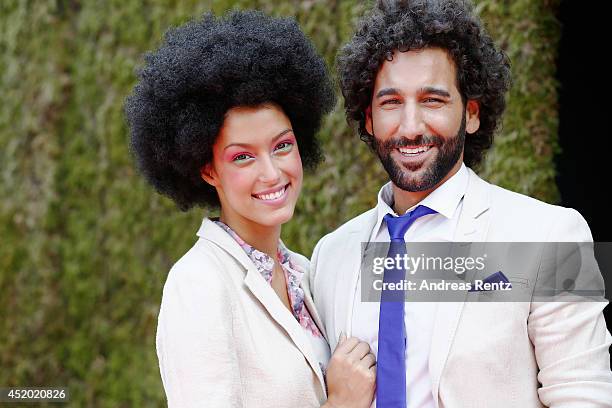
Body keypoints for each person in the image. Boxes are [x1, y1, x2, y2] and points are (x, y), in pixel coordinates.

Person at [309, 0, 612, 407]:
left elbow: (583, 396)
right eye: (391, 102)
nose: (411, 126)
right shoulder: (331, 255)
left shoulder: (553, 236)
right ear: (368, 119)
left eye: (433, 100)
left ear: (470, 113)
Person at [124, 10, 376, 408]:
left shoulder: (305, 273)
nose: (272, 173)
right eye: (243, 157)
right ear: (208, 169)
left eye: (281, 146)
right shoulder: (199, 285)